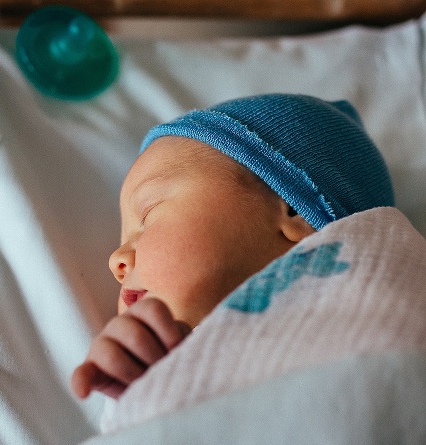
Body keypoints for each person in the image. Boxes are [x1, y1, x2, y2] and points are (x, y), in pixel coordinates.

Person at [71, 93, 394, 400]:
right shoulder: (169, 365)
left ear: (294, 211)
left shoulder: (376, 319)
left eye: (148, 214)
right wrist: (140, 387)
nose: (117, 259)